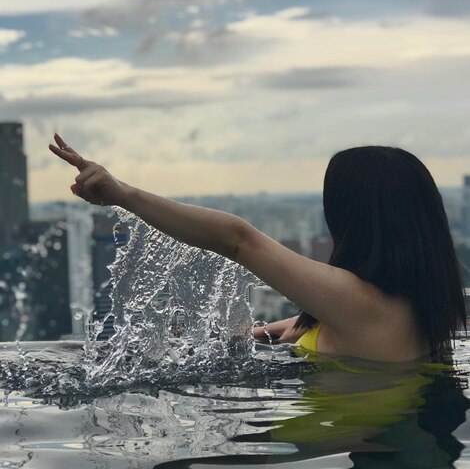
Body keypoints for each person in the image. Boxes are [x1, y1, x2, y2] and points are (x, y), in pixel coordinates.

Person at [49, 134, 466, 362]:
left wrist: (123, 194)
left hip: (345, 446)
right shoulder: (429, 304)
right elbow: (289, 329)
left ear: (350, 217)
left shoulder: (359, 304)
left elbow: (238, 238)